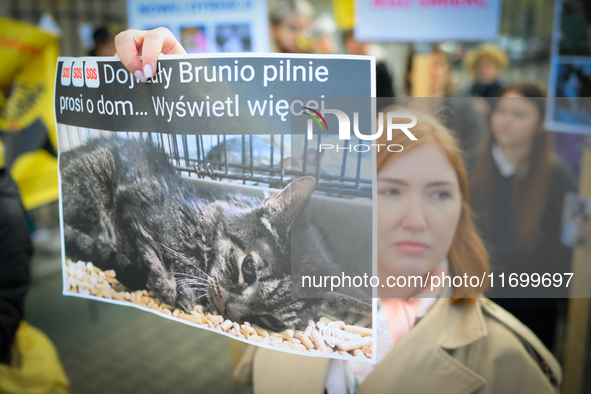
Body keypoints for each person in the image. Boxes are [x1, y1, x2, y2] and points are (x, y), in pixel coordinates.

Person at [113, 28, 561, 393]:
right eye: (391, 191)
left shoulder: (509, 361)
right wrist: (175, 83)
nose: (416, 218)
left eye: (440, 194)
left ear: (463, 209)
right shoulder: (289, 303)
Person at [468, 81, 577, 351]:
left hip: (534, 311)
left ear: (540, 124)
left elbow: (565, 251)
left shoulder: (557, 177)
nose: (506, 121)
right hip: (476, 303)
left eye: (519, 114)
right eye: (501, 111)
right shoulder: (470, 166)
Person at [403, 46, 484, 157]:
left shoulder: (465, 111)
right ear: (410, 73)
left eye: (439, 64)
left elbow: (475, 153)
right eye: (427, 65)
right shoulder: (397, 112)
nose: (435, 71)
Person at [343, 29, 395, 109]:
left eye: (361, 40)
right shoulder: (343, 69)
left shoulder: (379, 68)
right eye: (353, 41)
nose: (358, 45)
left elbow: (387, 98)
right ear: (346, 43)